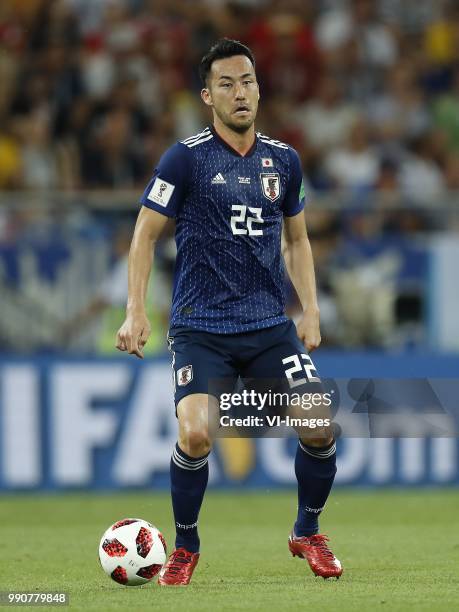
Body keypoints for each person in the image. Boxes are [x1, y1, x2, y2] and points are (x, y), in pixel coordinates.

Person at [116, 38, 342, 585]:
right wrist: (135, 311)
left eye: (247, 82)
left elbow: (298, 241)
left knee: (319, 424)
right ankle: (186, 545)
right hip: (200, 327)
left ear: (259, 90)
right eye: (226, 84)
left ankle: (307, 530)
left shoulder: (283, 160)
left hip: (268, 325)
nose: (239, 93)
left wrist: (309, 309)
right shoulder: (185, 158)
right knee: (194, 433)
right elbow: (145, 234)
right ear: (207, 95)